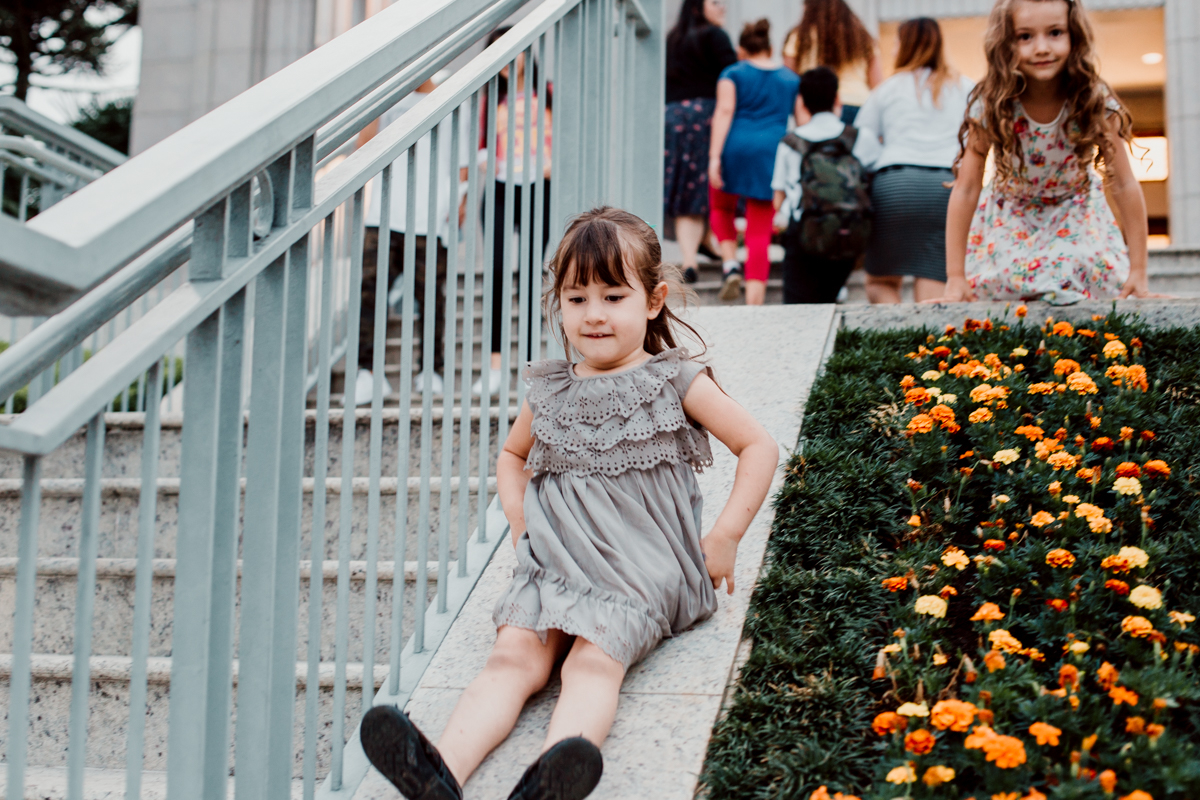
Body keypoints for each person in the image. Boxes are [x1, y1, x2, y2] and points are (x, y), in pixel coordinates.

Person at [358, 207, 778, 800]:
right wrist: (519, 517)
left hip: (638, 569)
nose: (594, 314)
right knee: (512, 657)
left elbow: (758, 445)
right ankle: (438, 775)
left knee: (591, 661)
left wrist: (727, 535)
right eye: (577, 299)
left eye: (613, 296)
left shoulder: (673, 379)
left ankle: (549, 781)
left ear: (653, 300)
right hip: (553, 563)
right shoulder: (552, 388)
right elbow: (512, 456)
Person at [941, 0, 1159, 303]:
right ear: (1005, 43)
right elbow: (966, 188)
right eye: (1025, 36)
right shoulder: (993, 103)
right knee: (1011, 276)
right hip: (1012, 214)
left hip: (1075, 211)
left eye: (1055, 33)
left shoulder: (1092, 99)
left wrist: (1139, 270)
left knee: (1072, 264)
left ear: (1074, 35)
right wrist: (955, 276)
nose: (1041, 48)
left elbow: (1124, 183)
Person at [356, 76, 471, 404]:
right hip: (383, 214)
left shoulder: (451, 101)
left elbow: (462, 164)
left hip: (431, 217)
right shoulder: (388, 100)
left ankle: (431, 371)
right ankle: (368, 373)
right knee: (370, 293)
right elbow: (363, 147)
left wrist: (459, 203)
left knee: (431, 296)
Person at [853, 17, 973, 303]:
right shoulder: (965, 87)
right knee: (933, 282)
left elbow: (862, 145)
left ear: (904, 45)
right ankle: (924, 333)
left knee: (879, 282)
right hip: (945, 190)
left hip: (895, 187)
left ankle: (894, 329)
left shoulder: (887, 89)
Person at [475, 27, 553, 398]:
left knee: (531, 275)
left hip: (539, 187)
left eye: (513, 49)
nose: (507, 58)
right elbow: (481, 143)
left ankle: (530, 366)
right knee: (496, 273)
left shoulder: (547, 93)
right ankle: (494, 366)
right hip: (501, 188)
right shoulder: (491, 98)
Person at [708, 19, 800, 305]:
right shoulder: (791, 79)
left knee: (721, 206)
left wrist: (714, 157)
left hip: (735, 147)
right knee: (759, 230)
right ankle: (754, 304)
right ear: (770, 48)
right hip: (772, 153)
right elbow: (801, 121)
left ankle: (729, 264)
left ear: (742, 50)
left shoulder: (732, 73)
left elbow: (724, 111)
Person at [771, 66, 879, 304]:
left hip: (804, 233)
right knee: (830, 299)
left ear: (802, 102)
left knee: (797, 308)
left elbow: (778, 199)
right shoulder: (860, 138)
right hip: (849, 232)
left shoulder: (790, 143)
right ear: (837, 98)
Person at [664, 0, 737, 285]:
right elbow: (733, 78)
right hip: (705, 117)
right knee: (703, 186)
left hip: (674, 118)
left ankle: (693, 254)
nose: (723, 7)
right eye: (715, 2)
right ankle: (695, 256)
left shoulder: (673, 38)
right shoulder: (715, 36)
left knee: (686, 188)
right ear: (697, 6)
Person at [782, 0, 882, 125]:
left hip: (817, 108)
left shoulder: (800, 36)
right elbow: (878, 85)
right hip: (860, 105)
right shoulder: (862, 37)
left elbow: (787, 79)